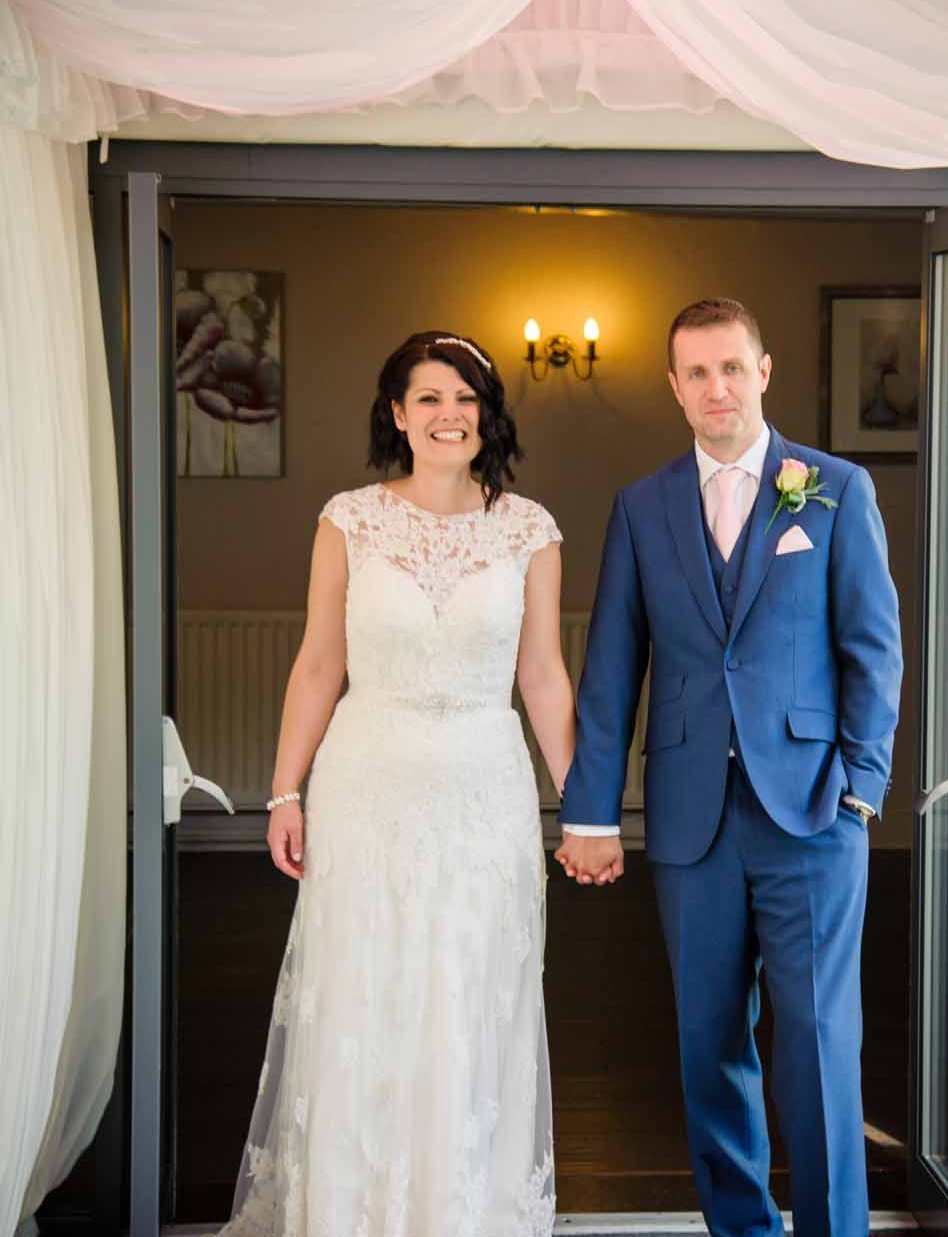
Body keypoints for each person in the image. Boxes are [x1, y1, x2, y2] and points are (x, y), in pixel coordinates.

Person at [555, 299, 902, 1237]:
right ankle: (742, 1227)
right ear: (675, 387)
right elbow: (611, 668)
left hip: (813, 813)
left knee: (819, 1041)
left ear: (763, 371)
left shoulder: (833, 489)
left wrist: (862, 789)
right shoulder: (641, 507)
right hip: (690, 817)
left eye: (732, 368)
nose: (718, 387)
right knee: (708, 1042)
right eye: (698, 372)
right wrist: (590, 810)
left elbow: (873, 648)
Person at [219, 332, 571, 1237]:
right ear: (397, 414)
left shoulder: (529, 529)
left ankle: (458, 1210)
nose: (449, 414)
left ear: (487, 415)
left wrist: (585, 808)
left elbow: (541, 675)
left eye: (465, 397)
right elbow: (317, 662)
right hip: (367, 787)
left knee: (467, 995)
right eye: (428, 397)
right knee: (364, 995)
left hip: (483, 794)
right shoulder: (349, 520)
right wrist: (285, 791)